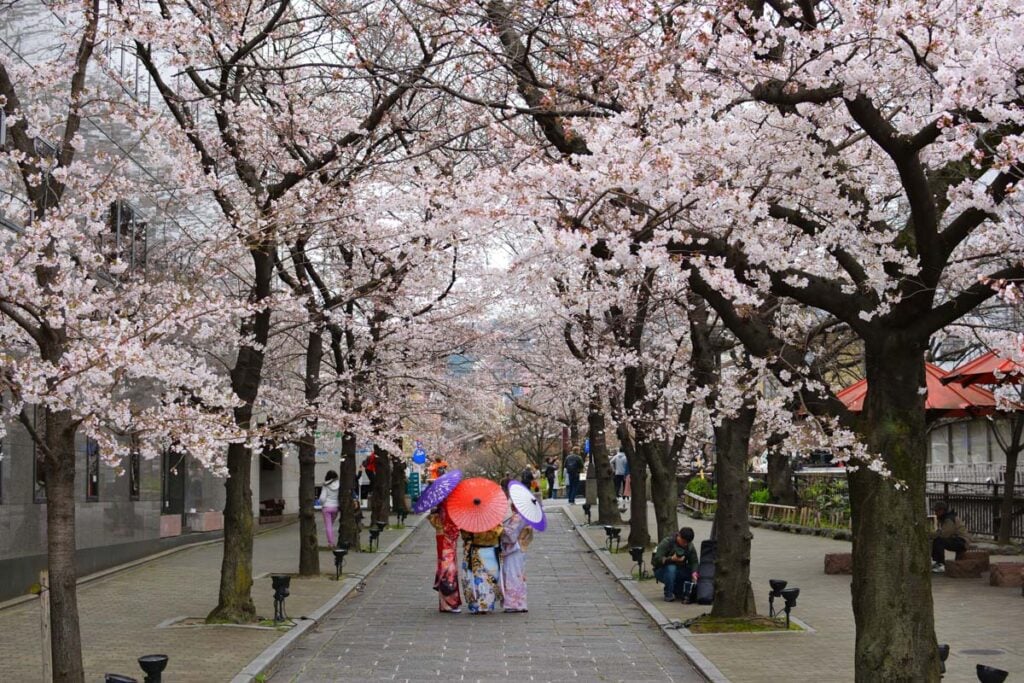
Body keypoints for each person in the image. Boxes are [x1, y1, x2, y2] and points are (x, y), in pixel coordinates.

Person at [500, 484, 533, 613]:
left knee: (511, 574)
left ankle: (513, 603)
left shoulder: (517, 517)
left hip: (514, 547)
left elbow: (510, 535)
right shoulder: (526, 516)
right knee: (519, 574)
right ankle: (520, 601)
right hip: (521, 548)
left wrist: (500, 528)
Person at [460, 523, 503, 614]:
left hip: (476, 551)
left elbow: (465, 536)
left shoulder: (470, 519)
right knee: (490, 578)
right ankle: (487, 604)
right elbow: (499, 532)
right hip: (491, 550)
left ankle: (477, 604)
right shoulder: (494, 518)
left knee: (477, 578)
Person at [428, 504, 462, 613]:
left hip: (442, 537)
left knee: (445, 568)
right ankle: (449, 603)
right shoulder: (448, 505)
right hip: (446, 538)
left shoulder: (441, 505)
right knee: (448, 570)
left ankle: (445, 603)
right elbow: (452, 527)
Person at [653, 527, 698, 602]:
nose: (685, 544)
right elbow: (656, 560)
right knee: (671, 568)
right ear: (679, 536)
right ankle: (668, 594)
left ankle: (680, 590)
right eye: (683, 542)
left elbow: (694, 562)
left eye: (687, 542)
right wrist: (671, 559)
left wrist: (694, 572)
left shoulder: (690, 546)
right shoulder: (667, 542)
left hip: (680, 570)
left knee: (691, 571)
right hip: (662, 570)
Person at [931, 501, 971, 573]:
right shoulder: (946, 518)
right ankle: (937, 562)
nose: (935, 513)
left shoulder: (949, 519)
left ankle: (941, 564)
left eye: (937, 511)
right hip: (958, 540)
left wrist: (930, 535)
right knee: (937, 540)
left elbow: (944, 534)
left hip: (962, 542)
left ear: (942, 510)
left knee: (939, 541)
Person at [318, 470, 340, 548]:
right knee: (330, 525)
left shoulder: (325, 485)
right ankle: (332, 541)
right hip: (336, 508)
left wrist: (321, 503)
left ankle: (331, 543)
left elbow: (322, 498)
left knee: (328, 526)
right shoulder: (339, 484)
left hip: (326, 508)